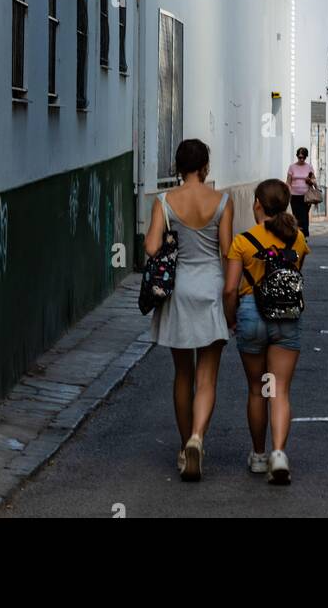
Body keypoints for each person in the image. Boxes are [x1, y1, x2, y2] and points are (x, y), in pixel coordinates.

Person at [144, 139, 233, 482]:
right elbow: (227, 252)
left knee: (182, 374)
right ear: (205, 167)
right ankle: (198, 437)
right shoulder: (222, 202)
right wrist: (231, 300)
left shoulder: (164, 201)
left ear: (177, 167)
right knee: (206, 377)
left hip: (178, 291)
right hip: (210, 287)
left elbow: (152, 246)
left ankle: (184, 447)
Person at [224, 179, 309, 485]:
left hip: (250, 314)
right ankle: (279, 453)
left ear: (257, 203)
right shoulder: (297, 239)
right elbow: (295, 277)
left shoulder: (242, 241)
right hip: (286, 315)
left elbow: (231, 289)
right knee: (280, 391)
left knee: (257, 389)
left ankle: (259, 456)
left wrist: (231, 319)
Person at [286, 147, 317, 238]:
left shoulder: (309, 167)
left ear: (306, 157)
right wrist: (288, 192)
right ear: (297, 156)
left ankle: (304, 234)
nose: (301, 159)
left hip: (306, 196)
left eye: (303, 157)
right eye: (300, 157)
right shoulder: (292, 167)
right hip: (294, 195)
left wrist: (310, 181)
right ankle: (298, 234)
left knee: (304, 215)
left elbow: (314, 180)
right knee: (296, 215)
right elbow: (288, 181)